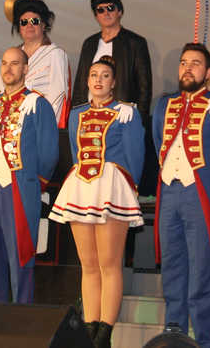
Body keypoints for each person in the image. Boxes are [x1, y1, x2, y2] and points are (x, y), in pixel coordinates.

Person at [52, 56, 145, 348]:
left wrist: (129, 189)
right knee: (88, 264)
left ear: (113, 82)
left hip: (112, 187)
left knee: (109, 263)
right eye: (94, 75)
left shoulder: (126, 112)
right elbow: (74, 150)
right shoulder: (77, 114)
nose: (99, 80)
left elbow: (135, 156)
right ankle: (90, 330)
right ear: (87, 80)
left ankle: (105, 332)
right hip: (82, 186)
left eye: (105, 75)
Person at [153, 43, 210, 348]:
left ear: (208, 72)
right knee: (172, 268)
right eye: (183, 62)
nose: (187, 68)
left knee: (202, 270)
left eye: (195, 63)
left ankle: (204, 342)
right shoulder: (164, 104)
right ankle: (173, 337)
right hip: (169, 192)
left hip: (201, 194)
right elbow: (158, 141)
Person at [0, 46, 59, 303]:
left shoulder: (37, 103)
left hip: (20, 186)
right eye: (4, 63)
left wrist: (34, 184)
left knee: (20, 254)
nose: (8, 68)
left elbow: (49, 152)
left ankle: (21, 314)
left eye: (14, 63)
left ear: (25, 69)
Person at [71, 0, 154, 194]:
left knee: (117, 183)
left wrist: (136, 118)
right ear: (95, 15)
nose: (106, 13)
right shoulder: (90, 43)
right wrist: (76, 115)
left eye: (110, 8)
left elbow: (144, 88)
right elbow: (81, 83)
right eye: (100, 10)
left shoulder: (135, 43)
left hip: (120, 121)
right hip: (90, 119)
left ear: (120, 11)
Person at [13, 0, 71, 127]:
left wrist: (46, 127)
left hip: (39, 121)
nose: (29, 25)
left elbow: (58, 94)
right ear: (19, 28)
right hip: (13, 122)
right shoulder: (14, 55)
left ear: (43, 25)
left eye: (35, 21)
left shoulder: (55, 53)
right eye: (24, 22)